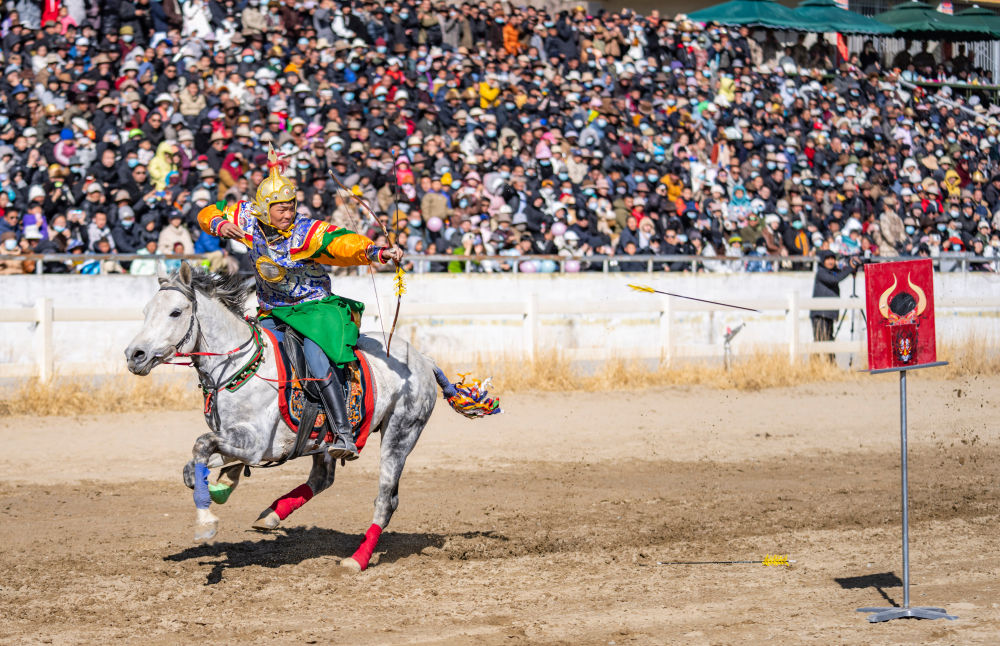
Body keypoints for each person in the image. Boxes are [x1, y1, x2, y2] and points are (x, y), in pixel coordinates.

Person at [198, 148, 403, 461]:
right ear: (264, 208)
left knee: (316, 358)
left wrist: (376, 252)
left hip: (314, 310)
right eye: (280, 208)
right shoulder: (246, 219)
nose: (288, 213)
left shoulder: (306, 232)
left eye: (291, 206)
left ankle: (343, 433)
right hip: (271, 309)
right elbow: (209, 211)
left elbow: (342, 242)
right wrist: (218, 225)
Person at [810, 250, 862, 362]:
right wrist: (849, 268)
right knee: (819, 341)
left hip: (828, 313)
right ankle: (815, 366)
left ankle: (831, 366)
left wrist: (851, 266)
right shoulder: (821, 272)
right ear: (823, 261)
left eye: (832, 259)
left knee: (829, 340)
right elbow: (835, 280)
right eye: (828, 259)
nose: (830, 261)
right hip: (820, 313)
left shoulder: (833, 271)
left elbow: (840, 273)